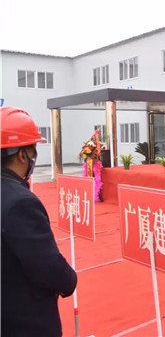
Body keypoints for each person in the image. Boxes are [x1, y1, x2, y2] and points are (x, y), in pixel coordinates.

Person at [1, 107, 78, 336]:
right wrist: (69, 280)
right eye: (33, 149)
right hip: (23, 322)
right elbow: (48, 267)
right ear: (22, 155)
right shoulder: (21, 203)